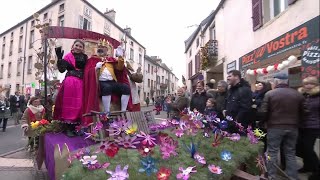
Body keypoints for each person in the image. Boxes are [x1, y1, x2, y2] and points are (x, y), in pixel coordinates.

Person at [259, 74, 305, 180]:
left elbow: (263, 112)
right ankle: (292, 177)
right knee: (290, 152)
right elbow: (304, 112)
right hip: (293, 127)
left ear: (276, 82)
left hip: (275, 127)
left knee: (272, 152)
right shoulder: (297, 94)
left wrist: (262, 123)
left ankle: (271, 176)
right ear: (287, 81)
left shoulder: (270, 94)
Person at [53, 40, 88, 124]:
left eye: (80, 46)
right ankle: (68, 124)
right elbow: (61, 70)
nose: (78, 48)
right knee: (69, 102)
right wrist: (59, 59)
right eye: (77, 45)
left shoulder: (85, 57)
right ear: (73, 46)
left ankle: (77, 124)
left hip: (80, 82)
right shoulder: (68, 56)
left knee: (79, 103)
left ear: (83, 48)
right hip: (70, 82)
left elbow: (87, 69)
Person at [296, 76, 319, 179]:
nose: (308, 86)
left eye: (311, 83)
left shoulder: (318, 96)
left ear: (315, 85)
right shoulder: (302, 96)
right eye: (306, 84)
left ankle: (317, 171)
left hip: (313, 126)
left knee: (308, 148)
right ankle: (307, 166)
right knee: (300, 147)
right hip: (301, 125)